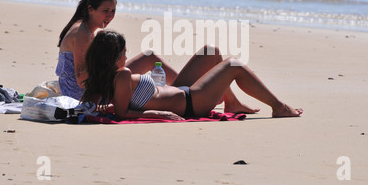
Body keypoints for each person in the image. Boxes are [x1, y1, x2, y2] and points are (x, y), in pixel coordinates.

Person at [56, 0, 258, 114]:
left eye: (113, 11)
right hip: (82, 94)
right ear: (91, 9)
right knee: (206, 56)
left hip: (93, 85)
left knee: (149, 56)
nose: (109, 16)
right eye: (105, 11)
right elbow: (82, 79)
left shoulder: (91, 29)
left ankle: (193, 93)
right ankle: (195, 93)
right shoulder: (82, 32)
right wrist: (110, 67)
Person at [80, 30, 303, 120]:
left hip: (182, 91)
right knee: (234, 65)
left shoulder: (114, 76)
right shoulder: (122, 75)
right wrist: (159, 114)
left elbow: (113, 107)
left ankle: (232, 103)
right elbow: (122, 114)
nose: (126, 56)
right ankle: (279, 107)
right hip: (191, 102)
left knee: (211, 51)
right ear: (112, 56)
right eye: (123, 53)